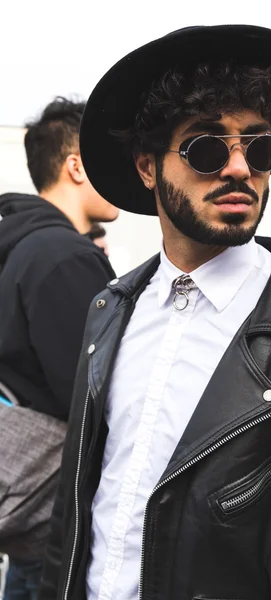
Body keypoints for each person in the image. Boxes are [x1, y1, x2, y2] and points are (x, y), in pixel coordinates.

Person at [39, 27, 271, 600]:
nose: (238, 168)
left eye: (258, 148)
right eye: (207, 147)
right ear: (148, 168)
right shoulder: (110, 310)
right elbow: (79, 513)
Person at [0, 97, 119, 600]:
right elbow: (93, 396)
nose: (125, 174)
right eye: (109, 160)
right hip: (57, 526)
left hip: (29, 524)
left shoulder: (23, 244)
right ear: (75, 166)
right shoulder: (60, 256)